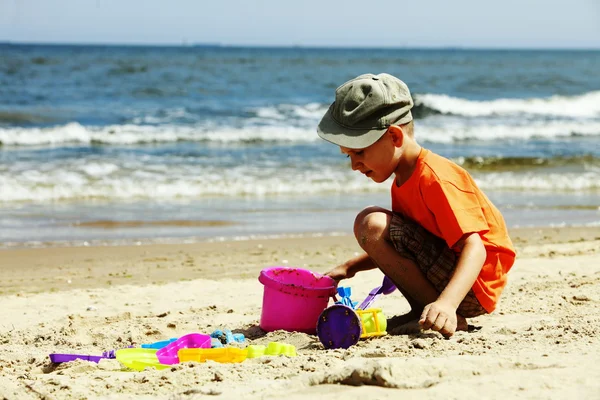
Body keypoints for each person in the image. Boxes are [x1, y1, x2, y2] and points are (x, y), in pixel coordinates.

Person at [317, 73, 516, 337]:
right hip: (454, 275)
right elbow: (402, 242)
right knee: (374, 224)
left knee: (370, 221)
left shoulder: (435, 177)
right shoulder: (403, 179)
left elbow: (475, 247)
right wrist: (349, 268)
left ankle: (445, 314)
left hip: (472, 285)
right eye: (348, 156)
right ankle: (423, 309)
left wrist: (447, 303)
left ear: (395, 137)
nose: (354, 165)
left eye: (359, 152)